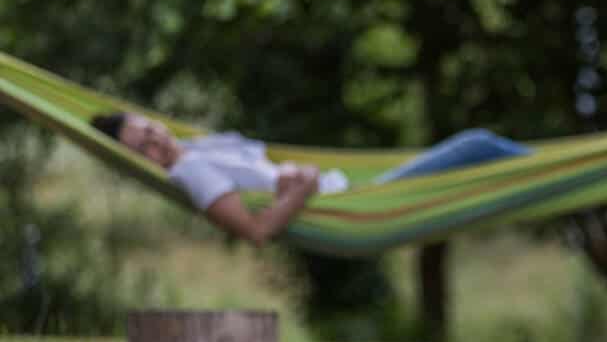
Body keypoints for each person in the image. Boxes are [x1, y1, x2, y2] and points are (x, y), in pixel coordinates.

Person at [90, 111, 530, 246]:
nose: (155, 142)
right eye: (142, 148)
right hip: (353, 207)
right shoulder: (191, 171)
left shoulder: (199, 147)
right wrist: (302, 188)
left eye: (148, 129)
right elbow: (256, 232)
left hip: (351, 191)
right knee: (476, 145)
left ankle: (558, 165)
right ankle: (551, 165)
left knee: (478, 148)